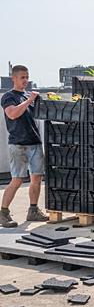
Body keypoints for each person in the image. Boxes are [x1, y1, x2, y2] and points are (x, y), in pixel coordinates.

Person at [1, 65, 49, 226]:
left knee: (37, 178)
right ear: (13, 78)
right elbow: (12, 114)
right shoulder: (8, 97)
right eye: (22, 77)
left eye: (27, 77)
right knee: (17, 180)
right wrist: (29, 100)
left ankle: (33, 211)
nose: (25, 80)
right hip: (18, 144)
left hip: (34, 142)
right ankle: (3, 212)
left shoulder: (29, 96)